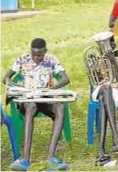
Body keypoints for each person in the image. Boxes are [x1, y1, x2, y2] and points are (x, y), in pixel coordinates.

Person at [3, 38, 71, 171]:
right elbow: (6, 78)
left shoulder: (51, 60)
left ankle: (51, 158)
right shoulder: (23, 59)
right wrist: (20, 86)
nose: (36, 57)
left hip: (45, 98)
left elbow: (65, 79)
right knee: (31, 106)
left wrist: (51, 89)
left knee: (60, 107)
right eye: (34, 54)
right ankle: (25, 159)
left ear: (45, 51)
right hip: (28, 99)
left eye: (39, 55)